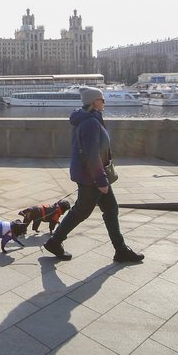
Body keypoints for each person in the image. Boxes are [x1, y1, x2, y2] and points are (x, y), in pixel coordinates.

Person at [42, 87, 144, 263]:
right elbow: (91, 153)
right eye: (102, 99)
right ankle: (55, 241)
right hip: (92, 177)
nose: (104, 102)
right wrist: (100, 179)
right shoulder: (89, 122)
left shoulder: (91, 118)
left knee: (110, 209)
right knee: (81, 211)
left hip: (95, 175)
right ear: (94, 101)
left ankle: (120, 250)